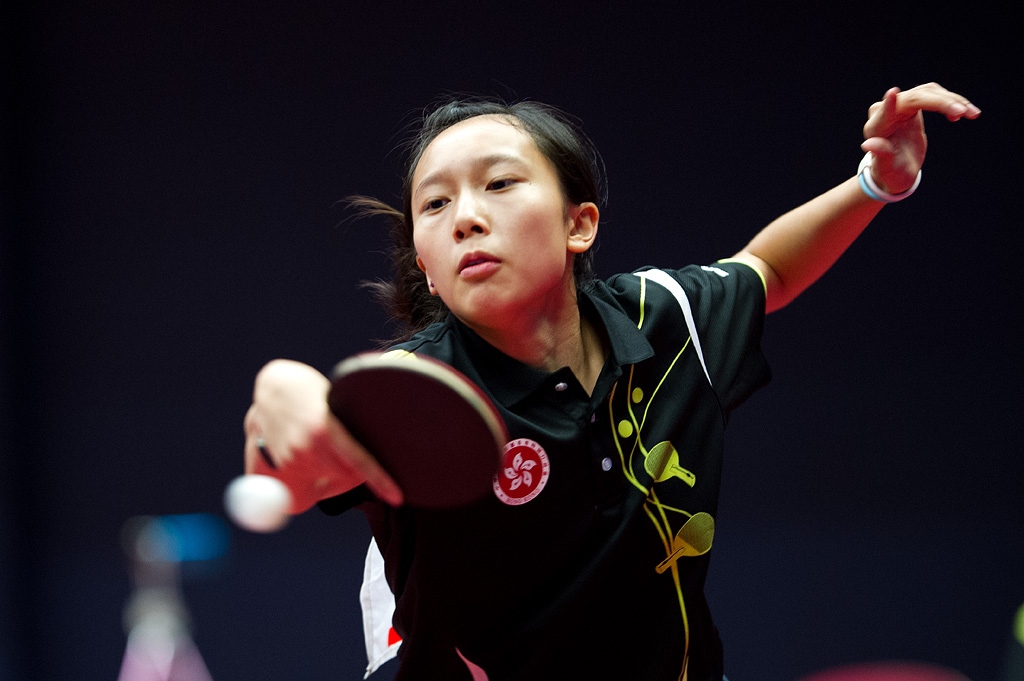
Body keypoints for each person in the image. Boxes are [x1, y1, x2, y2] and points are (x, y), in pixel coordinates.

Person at [241, 84, 980, 680]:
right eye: (435, 204)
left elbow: (768, 270)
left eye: (499, 183)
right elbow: (300, 460)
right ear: (427, 271)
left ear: (579, 224)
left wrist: (876, 184)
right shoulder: (417, 395)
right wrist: (280, 390)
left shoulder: (667, 318)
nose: (465, 217)